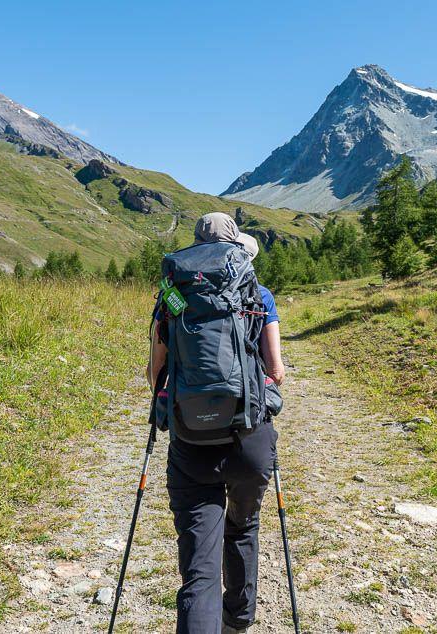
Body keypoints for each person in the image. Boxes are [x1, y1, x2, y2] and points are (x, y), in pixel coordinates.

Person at [147, 212, 285, 634]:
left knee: (199, 570)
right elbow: (276, 370)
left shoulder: (172, 294)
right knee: (242, 527)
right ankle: (237, 623)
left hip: (191, 440)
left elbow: (155, 376)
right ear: (235, 245)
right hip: (248, 439)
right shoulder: (256, 291)